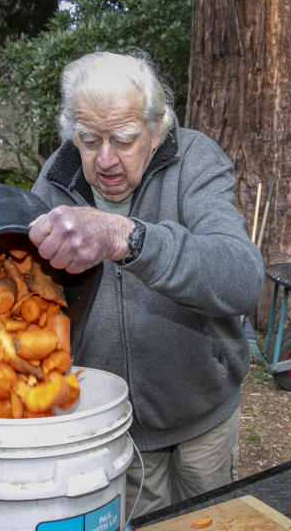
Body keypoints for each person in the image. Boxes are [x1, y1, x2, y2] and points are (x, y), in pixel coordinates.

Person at [28, 50, 264, 518]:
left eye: (124, 138)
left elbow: (242, 277)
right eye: (89, 139)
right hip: (115, 426)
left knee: (209, 523)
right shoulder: (56, 179)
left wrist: (126, 237)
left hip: (204, 416)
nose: (105, 160)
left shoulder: (194, 159)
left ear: (157, 128)